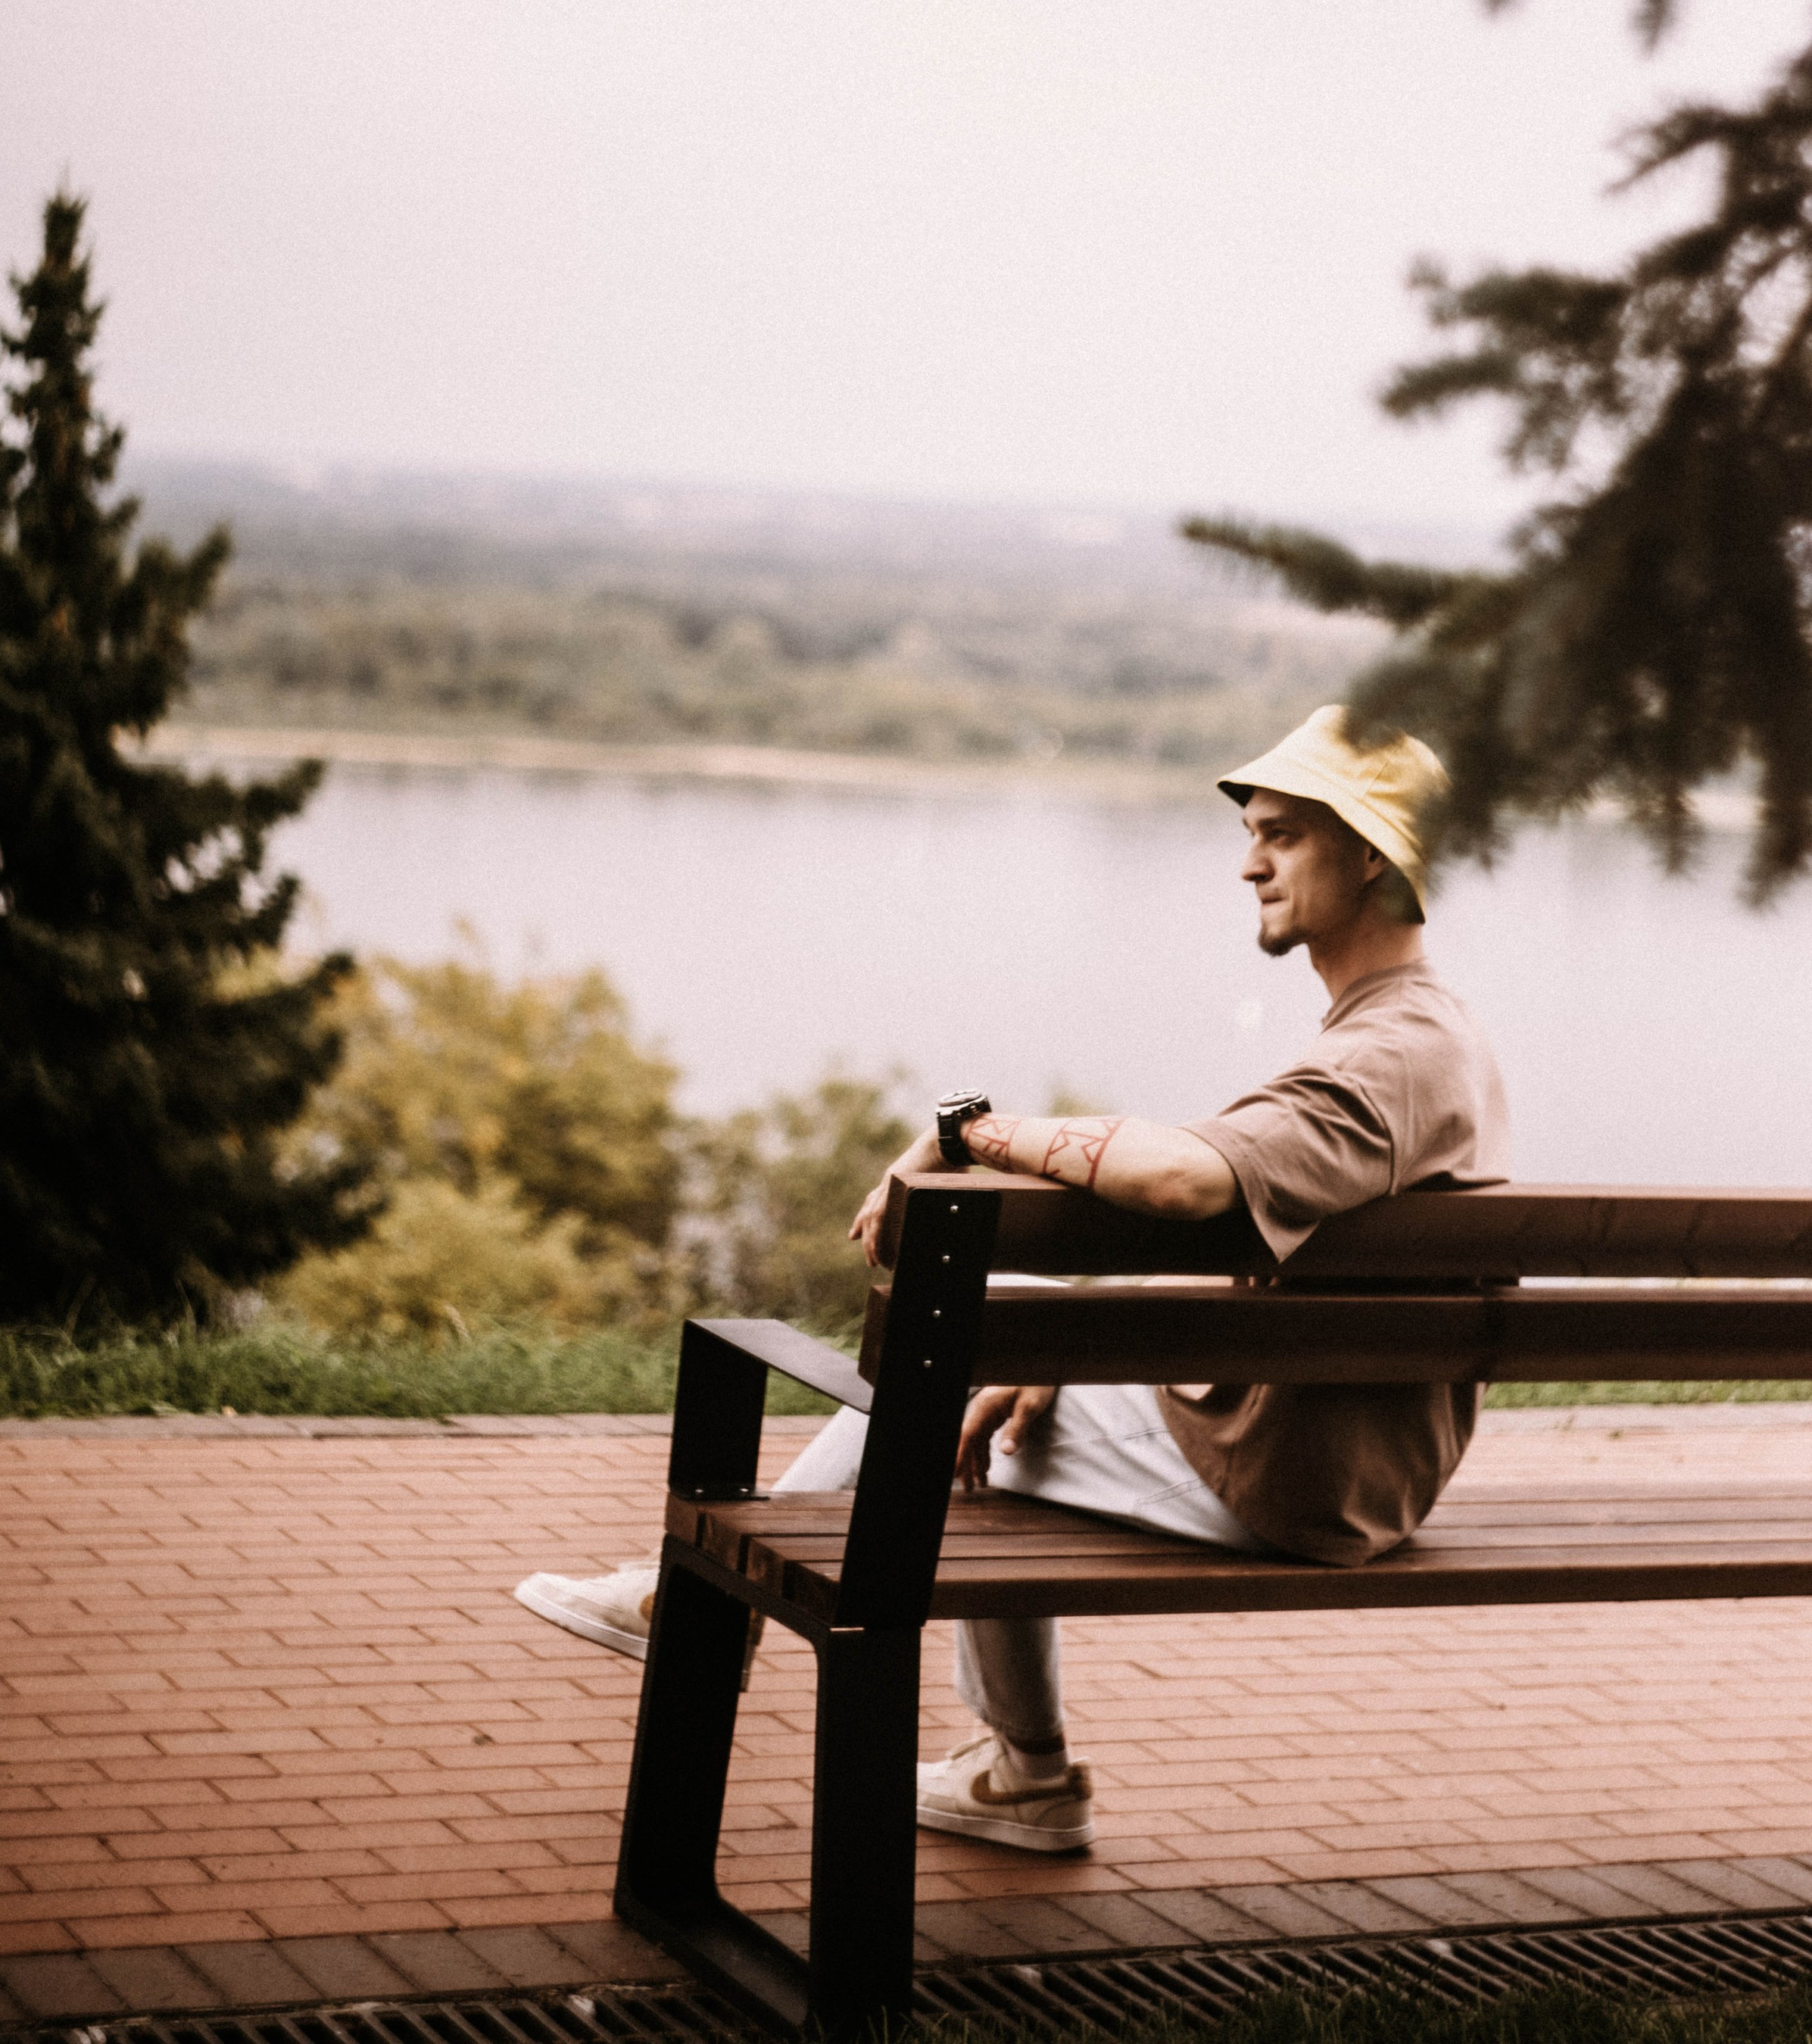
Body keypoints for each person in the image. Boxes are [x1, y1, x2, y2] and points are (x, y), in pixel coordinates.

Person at [517, 704, 1511, 1857]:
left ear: (1377, 855)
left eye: (1283, 835)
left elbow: (1187, 1179)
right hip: (1354, 1454)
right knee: (998, 1382)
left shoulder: (1384, 1059)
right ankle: (1018, 1770)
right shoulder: (1423, 1036)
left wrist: (971, 1133)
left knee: (953, 1393)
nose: (1249, 861)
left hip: (1306, 1477)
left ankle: (706, 1601)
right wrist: (1073, 1346)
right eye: (1255, 834)